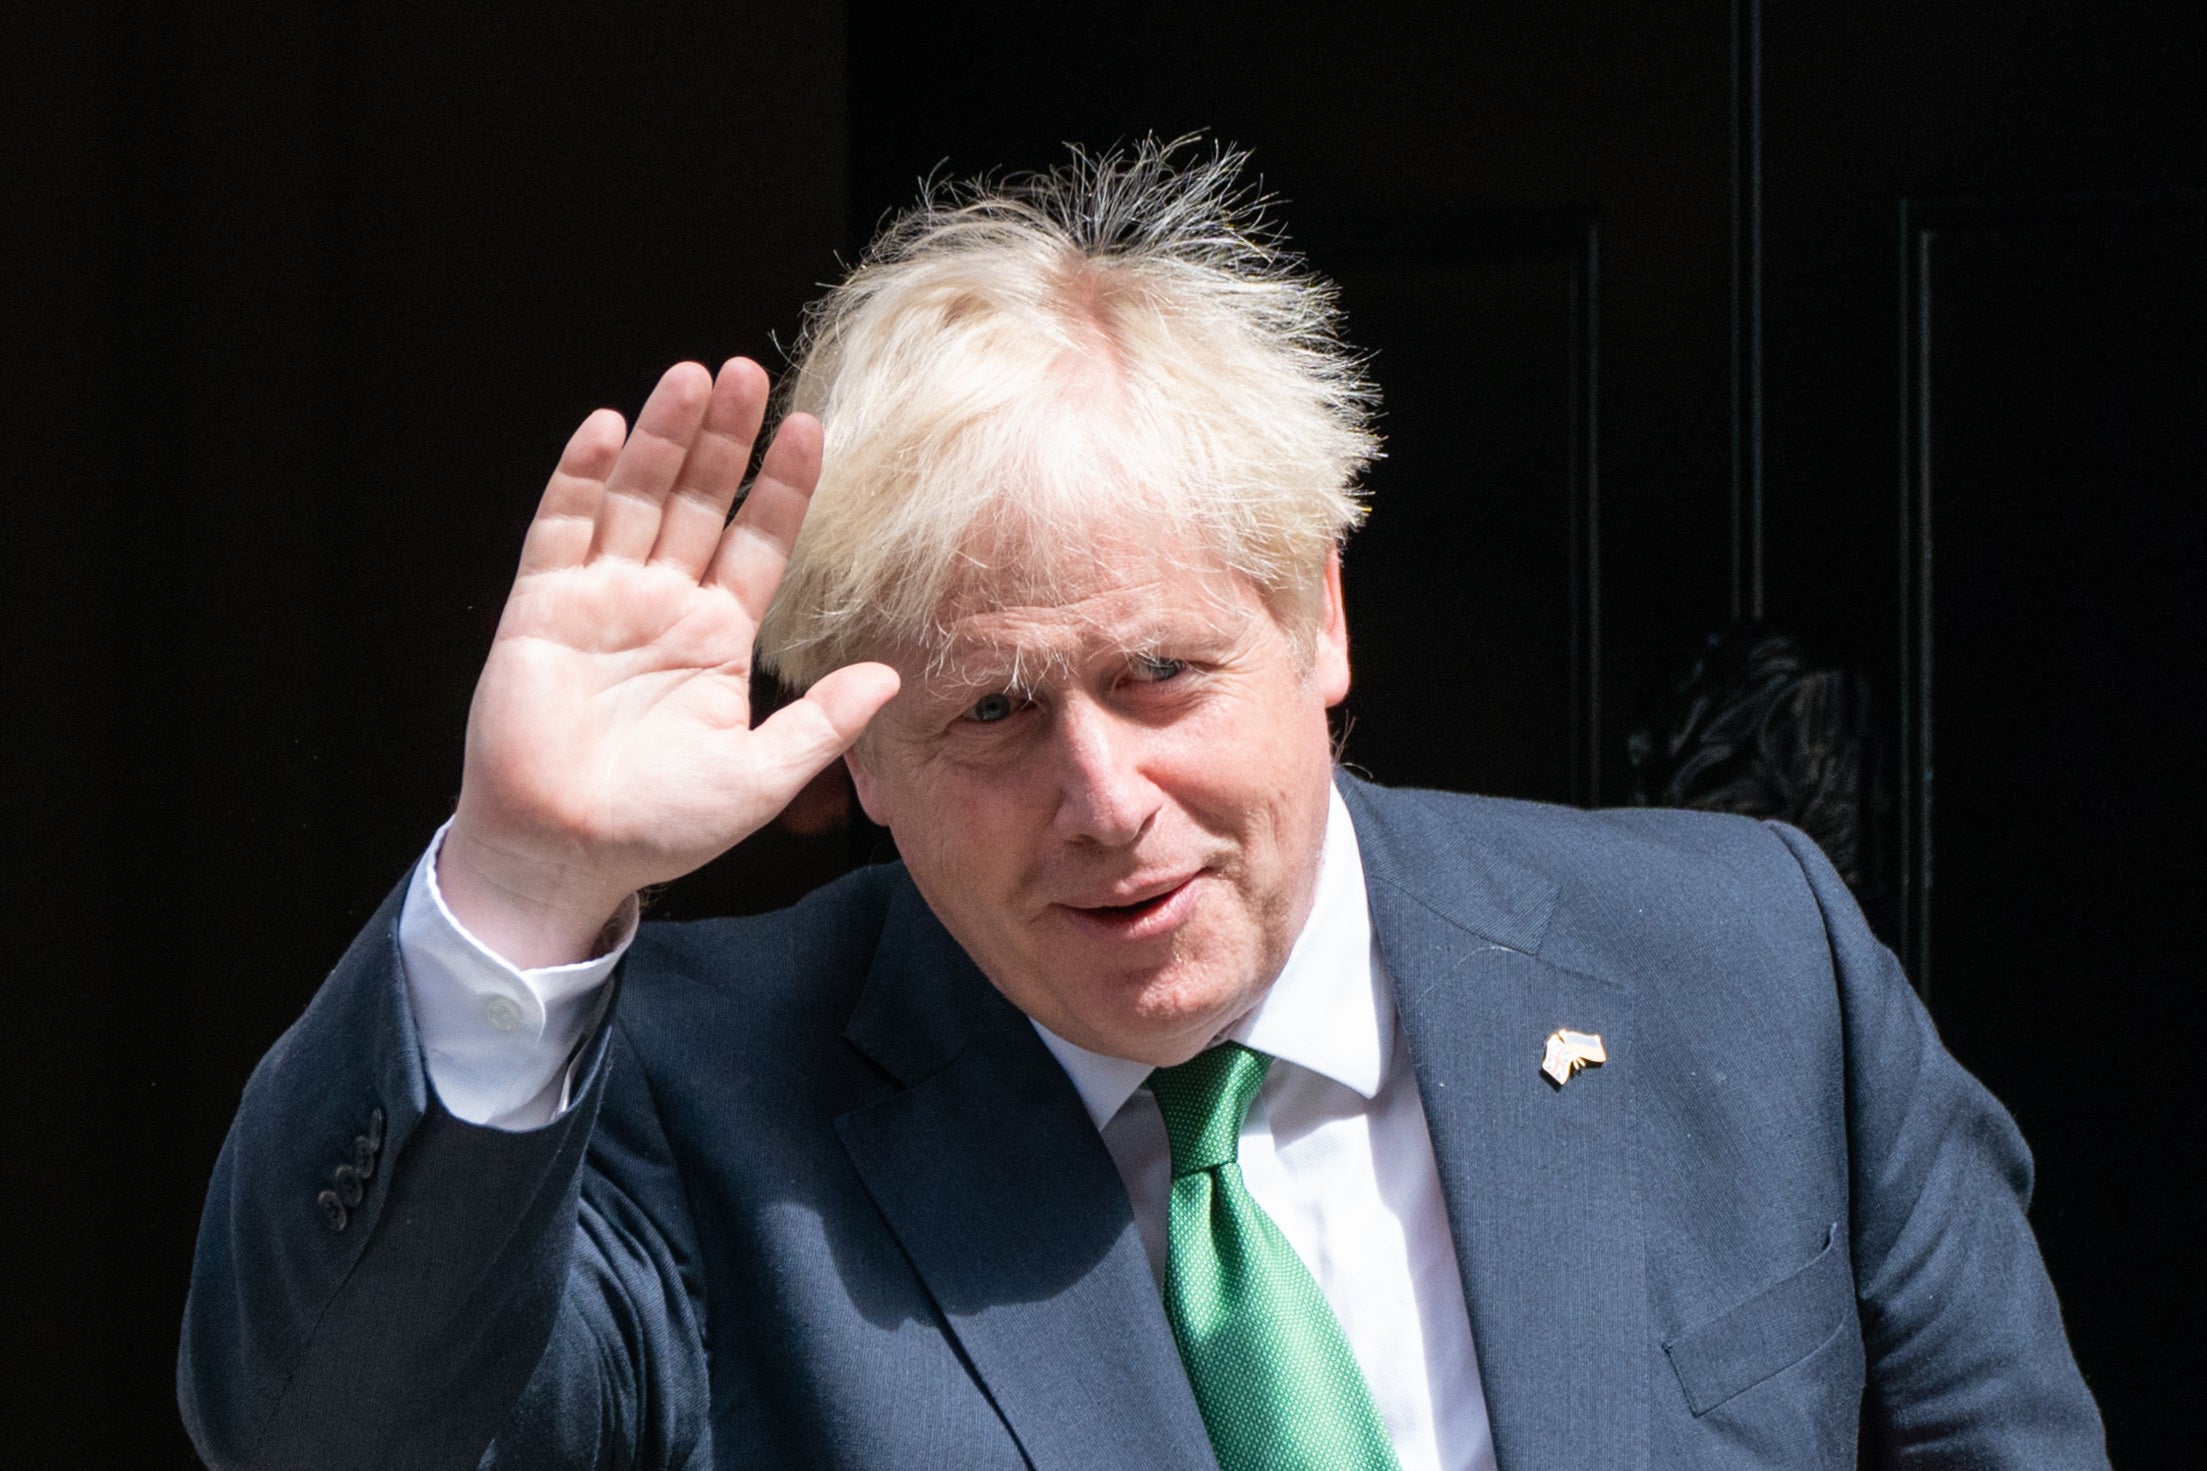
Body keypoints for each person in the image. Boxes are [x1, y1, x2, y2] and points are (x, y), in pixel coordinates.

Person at [178, 144, 2106, 1470]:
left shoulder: (1746, 969)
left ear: (1319, 617)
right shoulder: (694, 1107)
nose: (1104, 796)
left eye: (1162, 675)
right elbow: (338, 1434)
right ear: (848, 754)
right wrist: (522, 882)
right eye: (996, 714)